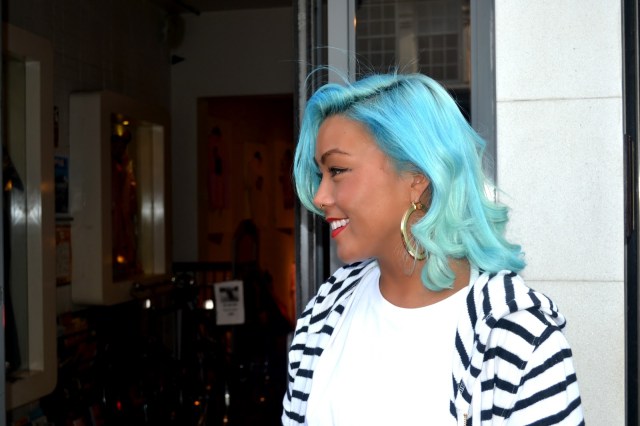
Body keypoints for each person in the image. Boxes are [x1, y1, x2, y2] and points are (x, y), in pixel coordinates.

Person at [282, 73, 584, 425]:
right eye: (320, 174)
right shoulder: (324, 314)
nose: (320, 197)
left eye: (337, 170)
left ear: (417, 177)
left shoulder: (519, 339)